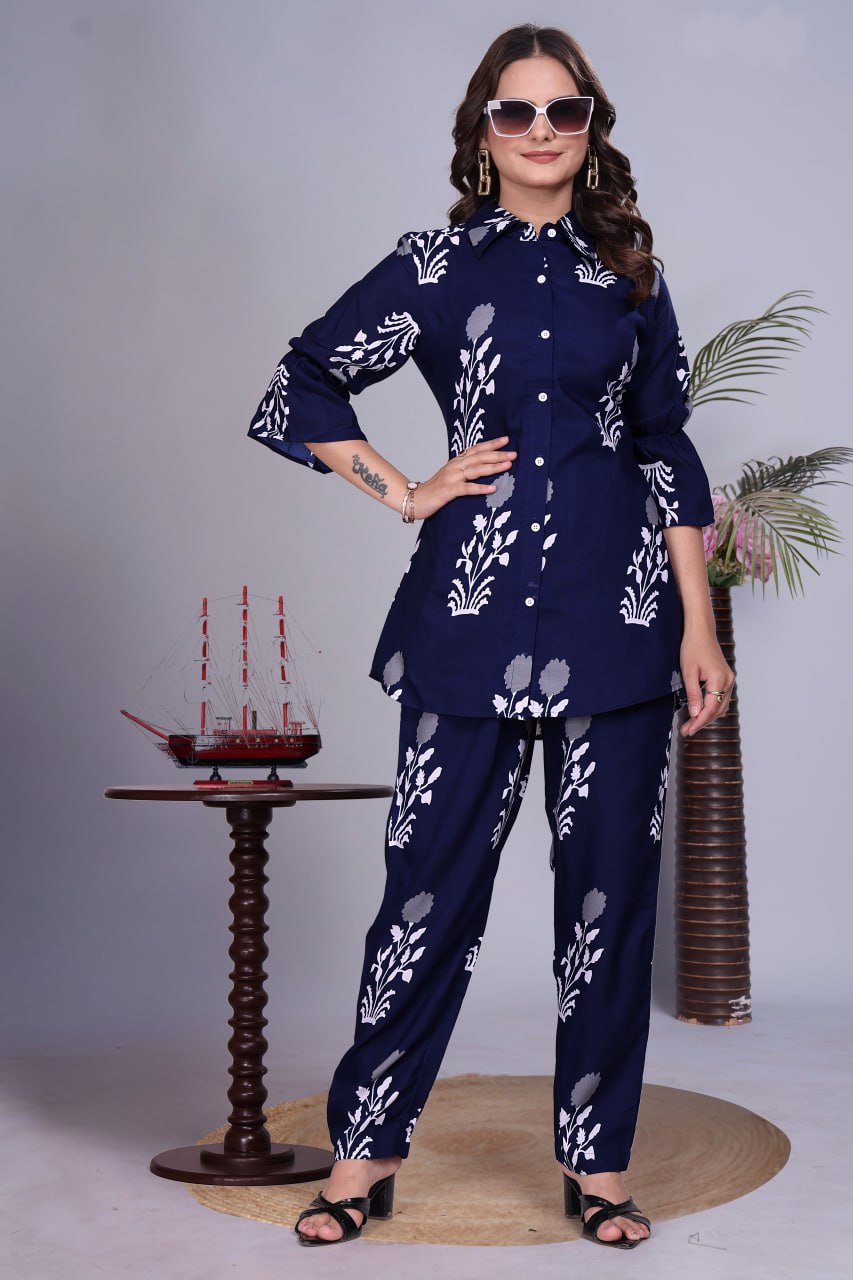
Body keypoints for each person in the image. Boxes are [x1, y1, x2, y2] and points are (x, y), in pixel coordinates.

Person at [247, 22, 734, 1250]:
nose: (539, 132)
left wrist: (698, 623)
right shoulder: (431, 266)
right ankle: (365, 1153)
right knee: (424, 893)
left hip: (620, 627)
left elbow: (666, 446)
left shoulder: (629, 273)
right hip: (463, 626)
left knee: (608, 905)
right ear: (481, 132)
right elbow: (305, 379)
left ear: (590, 129)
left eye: (563, 111)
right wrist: (405, 489)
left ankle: (598, 1164)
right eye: (515, 112)